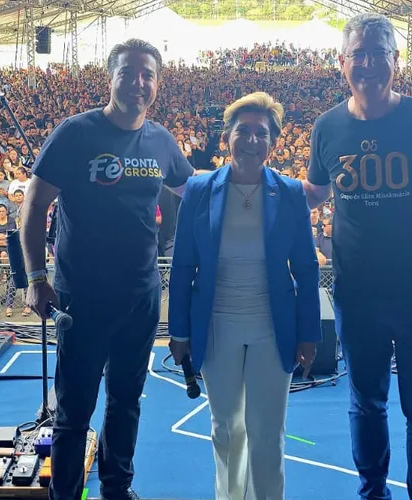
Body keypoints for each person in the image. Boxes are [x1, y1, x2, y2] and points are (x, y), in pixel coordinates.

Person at [301, 13, 412, 500]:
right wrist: (250, 183)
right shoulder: (328, 127)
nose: (369, 63)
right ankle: (372, 493)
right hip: (358, 295)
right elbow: (315, 192)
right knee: (366, 405)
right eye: (359, 53)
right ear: (342, 63)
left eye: (379, 53)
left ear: (396, 61)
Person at [20, 39, 195, 500]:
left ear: (157, 82)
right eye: (128, 73)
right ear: (110, 77)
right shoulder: (76, 133)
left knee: (126, 402)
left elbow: (193, 190)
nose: (139, 83)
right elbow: (34, 207)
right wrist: (36, 278)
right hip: (82, 298)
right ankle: (66, 495)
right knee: (74, 410)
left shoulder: (161, 140)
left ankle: (117, 489)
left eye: (148, 75)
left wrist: (252, 182)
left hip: (140, 297)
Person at [167, 92, 322, 500]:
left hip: (275, 327)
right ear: (226, 137)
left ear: (273, 142)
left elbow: (307, 270)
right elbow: (182, 268)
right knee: (226, 429)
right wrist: (179, 331)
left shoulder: (289, 193)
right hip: (217, 324)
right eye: (244, 131)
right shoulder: (199, 190)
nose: (252, 140)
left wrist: (310, 334)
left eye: (262, 133)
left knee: (268, 432)